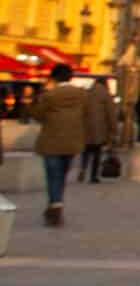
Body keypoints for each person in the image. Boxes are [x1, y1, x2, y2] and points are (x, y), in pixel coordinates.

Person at [35, 62, 86, 227]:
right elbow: (87, 115)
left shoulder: (50, 95)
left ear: (54, 77)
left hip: (52, 141)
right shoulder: (82, 95)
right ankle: (57, 202)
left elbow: (37, 114)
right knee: (62, 174)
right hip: (72, 142)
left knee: (53, 174)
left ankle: (55, 204)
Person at [78, 73, 116, 184]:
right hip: (100, 128)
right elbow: (110, 113)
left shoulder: (86, 92)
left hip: (86, 127)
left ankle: (83, 169)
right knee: (97, 152)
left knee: (85, 150)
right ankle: (93, 176)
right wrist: (114, 129)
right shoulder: (105, 94)